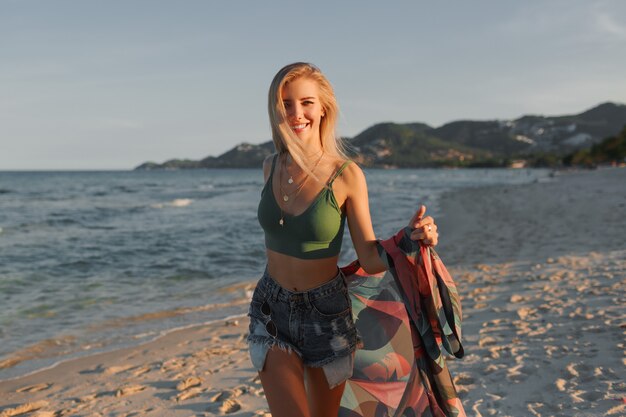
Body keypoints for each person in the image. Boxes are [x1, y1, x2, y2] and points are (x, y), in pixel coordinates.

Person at [248, 62, 439, 417]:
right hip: (270, 308)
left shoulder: (346, 175)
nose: (296, 113)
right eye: (286, 104)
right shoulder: (270, 165)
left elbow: (368, 257)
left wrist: (411, 240)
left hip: (327, 317)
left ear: (323, 108)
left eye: (306, 102)